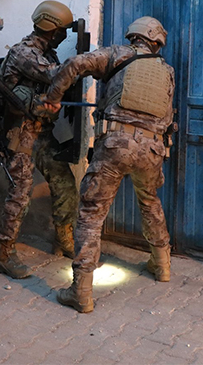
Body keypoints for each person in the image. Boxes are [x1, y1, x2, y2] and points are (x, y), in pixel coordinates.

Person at [43, 16, 175, 313]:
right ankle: (162, 264)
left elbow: (76, 64)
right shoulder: (167, 70)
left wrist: (53, 96)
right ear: (156, 43)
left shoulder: (117, 54)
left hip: (116, 144)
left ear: (134, 37)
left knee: (91, 214)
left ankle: (81, 291)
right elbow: (167, 116)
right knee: (150, 202)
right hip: (153, 148)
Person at [0, 0, 79, 279]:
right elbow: (56, 76)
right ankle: (5, 253)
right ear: (51, 28)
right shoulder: (24, 53)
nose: (65, 34)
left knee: (64, 182)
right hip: (20, 133)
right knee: (21, 194)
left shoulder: (48, 53)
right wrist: (86, 62)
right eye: (63, 29)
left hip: (41, 131)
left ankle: (63, 238)